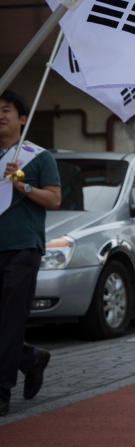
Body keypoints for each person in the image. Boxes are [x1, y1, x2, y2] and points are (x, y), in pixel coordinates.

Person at [0, 90, 61, 417]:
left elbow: (54, 199)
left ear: (22, 117)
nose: (0, 115)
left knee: (10, 321)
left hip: (22, 247)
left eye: (6, 109)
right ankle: (30, 358)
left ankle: (2, 391)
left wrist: (21, 185)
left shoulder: (38, 157)